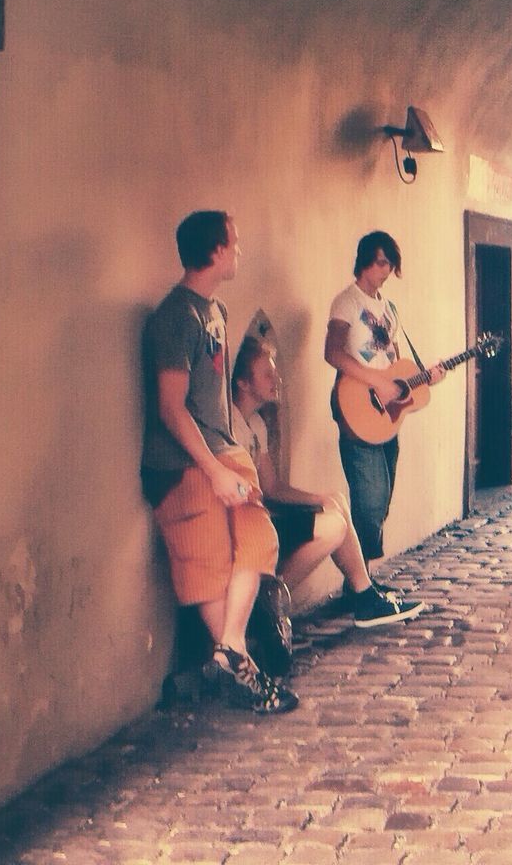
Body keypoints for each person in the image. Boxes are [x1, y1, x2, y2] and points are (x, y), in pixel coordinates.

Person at [141, 211, 297, 713]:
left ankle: (229, 650)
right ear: (214, 251)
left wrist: (230, 461)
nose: (239, 249)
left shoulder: (218, 312)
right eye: (235, 242)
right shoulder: (174, 318)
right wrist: (213, 471)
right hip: (183, 466)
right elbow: (171, 407)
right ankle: (244, 671)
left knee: (259, 540)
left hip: (223, 453)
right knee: (209, 567)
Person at [231, 337, 422, 627]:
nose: (276, 379)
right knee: (335, 526)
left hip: (265, 517)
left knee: (336, 502)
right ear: (243, 383)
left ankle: (359, 593)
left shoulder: (256, 424)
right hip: (247, 525)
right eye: (267, 374)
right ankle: (269, 602)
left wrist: (319, 498)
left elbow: (272, 487)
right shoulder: (230, 424)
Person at [324, 230, 444, 614]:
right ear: (363, 261)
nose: (386, 270)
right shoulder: (347, 302)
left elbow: (393, 363)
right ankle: (358, 586)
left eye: (390, 264)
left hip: (385, 413)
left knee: (381, 497)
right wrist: (374, 380)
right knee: (370, 498)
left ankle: (360, 581)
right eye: (380, 262)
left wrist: (426, 376)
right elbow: (332, 353)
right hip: (356, 403)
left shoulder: (390, 309)